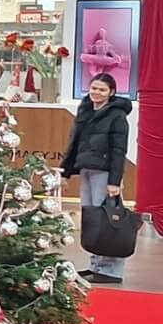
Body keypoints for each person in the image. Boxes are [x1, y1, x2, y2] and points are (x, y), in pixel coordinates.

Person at [62, 73, 133, 285]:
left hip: (105, 173)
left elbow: (119, 150)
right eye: (94, 88)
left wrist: (115, 181)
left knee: (109, 220)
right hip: (87, 169)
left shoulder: (117, 116)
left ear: (111, 92)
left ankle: (110, 270)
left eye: (102, 89)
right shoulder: (85, 110)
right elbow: (74, 144)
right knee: (93, 220)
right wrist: (65, 172)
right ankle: (96, 265)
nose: (96, 93)